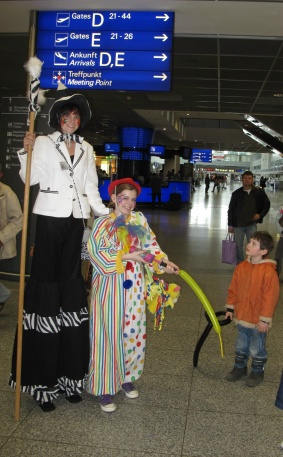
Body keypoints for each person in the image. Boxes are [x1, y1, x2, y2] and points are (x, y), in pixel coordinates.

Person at [9, 83, 110, 412]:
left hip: (75, 222)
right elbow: (29, 179)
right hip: (49, 221)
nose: (72, 120)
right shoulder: (42, 141)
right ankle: (42, 384)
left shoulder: (87, 148)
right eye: (67, 115)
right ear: (58, 118)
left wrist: (108, 217)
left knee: (70, 291)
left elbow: (91, 188)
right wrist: (25, 152)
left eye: (76, 116)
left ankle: (69, 378)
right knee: (46, 291)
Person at [86, 178, 179, 412]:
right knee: (108, 334)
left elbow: (150, 247)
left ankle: (126, 377)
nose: (129, 203)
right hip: (110, 287)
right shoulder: (102, 223)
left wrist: (163, 262)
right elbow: (97, 255)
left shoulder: (139, 220)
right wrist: (130, 257)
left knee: (133, 331)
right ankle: (105, 388)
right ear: (114, 198)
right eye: (124, 198)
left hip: (135, 285)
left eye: (133, 199)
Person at [225, 231, 279, 387]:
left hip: (257, 321)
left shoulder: (269, 272)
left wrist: (264, 320)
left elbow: (270, 298)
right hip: (242, 315)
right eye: (250, 242)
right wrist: (230, 308)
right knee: (241, 345)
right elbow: (233, 288)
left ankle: (257, 372)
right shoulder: (241, 267)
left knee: (257, 348)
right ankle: (239, 368)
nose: (248, 245)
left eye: (254, 244)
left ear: (263, 251)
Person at [227, 171, 270, 264]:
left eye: (249, 178)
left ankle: (251, 262)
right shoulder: (236, 194)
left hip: (252, 224)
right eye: (245, 178)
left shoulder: (259, 192)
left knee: (254, 245)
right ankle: (240, 263)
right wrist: (230, 224)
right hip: (238, 224)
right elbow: (231, 210)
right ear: (242, 179)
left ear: (252, 179)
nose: (247, 180)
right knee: (238, 246)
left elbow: (266, 204)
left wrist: (260, 214)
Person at [0, 162, 23, 312]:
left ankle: (3, 295)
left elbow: (18, 220)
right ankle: (3, 294)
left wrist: (1, 238)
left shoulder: (7, 193)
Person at [274, 204, 283, 280]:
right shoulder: (282, 208)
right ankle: (276, 274)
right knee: (278, 256)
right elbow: (277, 220)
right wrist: (281, 230)